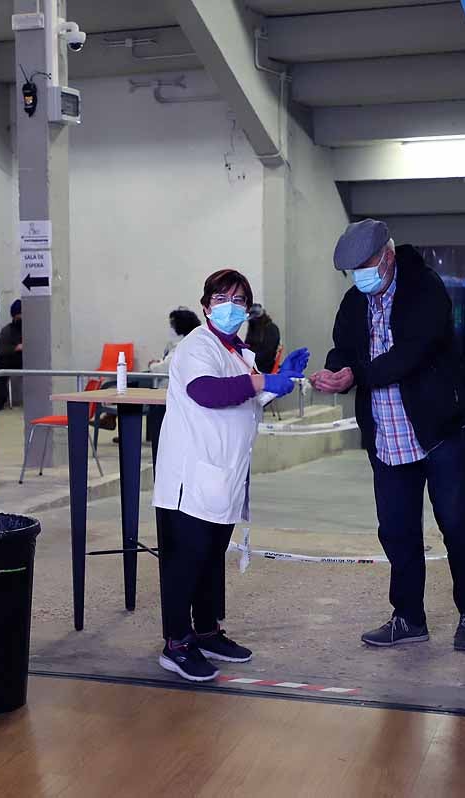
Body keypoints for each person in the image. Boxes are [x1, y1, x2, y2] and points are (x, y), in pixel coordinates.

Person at [310, 219, 465, 652]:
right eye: (352, 271)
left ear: (387, 257)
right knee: (397, 530)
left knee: (456, 525)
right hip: (387, 437)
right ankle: (408, 617)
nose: (359, 277)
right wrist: (337, 370)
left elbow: (411, 353)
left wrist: (358, 374)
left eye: (365, 266)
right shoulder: (355, 302)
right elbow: (343, 346)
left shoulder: (425, 288)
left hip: (439, 432)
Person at [151, 269, 308, 682]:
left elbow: (247, 397)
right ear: (206, 306)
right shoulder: (196, 347)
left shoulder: (240, 352)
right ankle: (176, 644)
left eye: (239, 300)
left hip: (224, 477)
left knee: (209, 560)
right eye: (222, 298)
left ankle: (206, 631)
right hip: (191, 477)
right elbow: (207, 391)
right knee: (185, 562)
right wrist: (261, 380)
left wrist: (279, 381)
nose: (230, 307)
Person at [146, 307, 201, 456]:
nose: (169, 328)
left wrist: (152, 365)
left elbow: (165, 368)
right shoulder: (186, 343)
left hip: (171, 397)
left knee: (136, 383)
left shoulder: (183, 345)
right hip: (171, 392)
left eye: (172, 324)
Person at [0, 299, 22, 411]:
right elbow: (1, 349)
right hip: (12, 359)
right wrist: (16, 348)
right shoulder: (7, 330)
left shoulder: (31, 329)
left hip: (30, 359)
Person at [244, 304, 281, 374]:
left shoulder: (271, 328)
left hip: (264, 367)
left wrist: (249, 360)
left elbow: (267, 352)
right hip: (252, 365)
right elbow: (247, 345)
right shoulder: (253, 327)